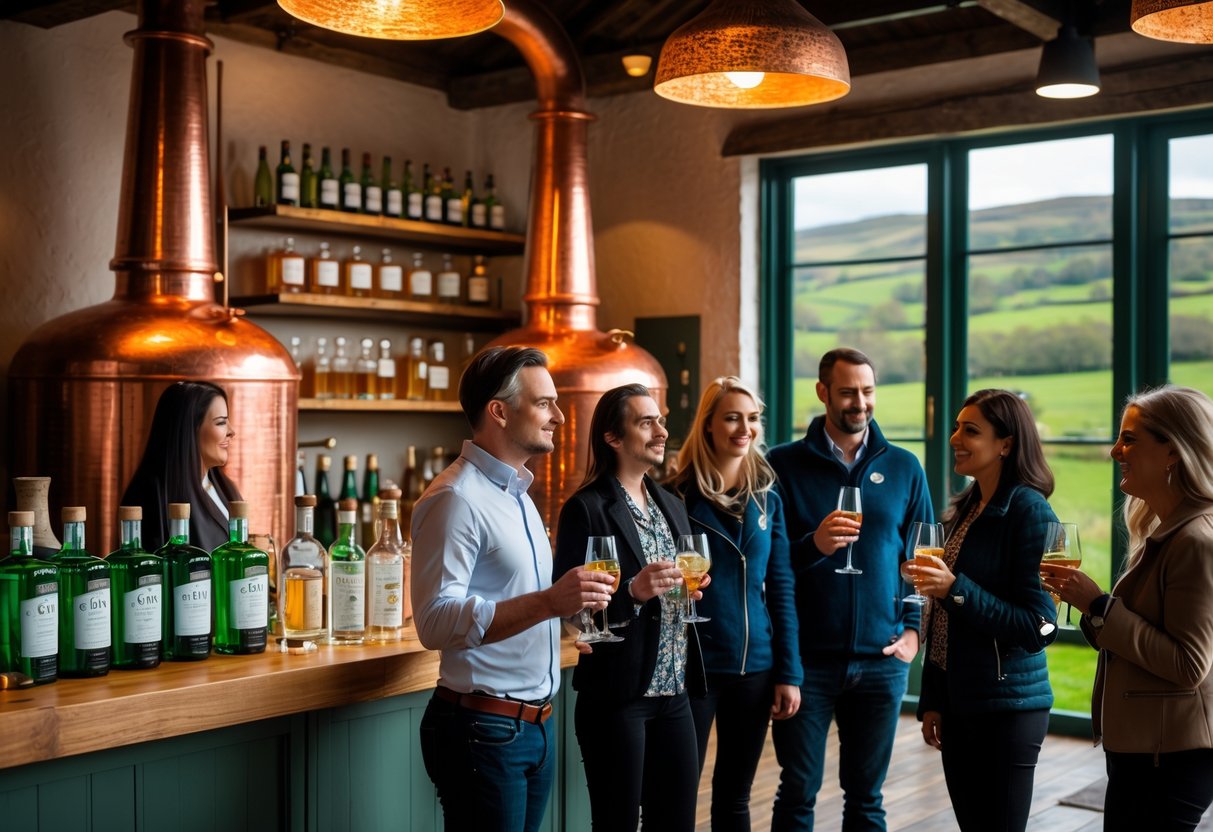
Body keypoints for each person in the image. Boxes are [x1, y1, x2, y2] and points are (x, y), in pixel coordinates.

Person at [410, 346, 614, 832]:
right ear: (499, 411)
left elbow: (515, 599)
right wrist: (548, 601)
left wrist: (565, 623)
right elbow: (434, 621)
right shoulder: (455, 498)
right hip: (483, 730)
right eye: (544, 403)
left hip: (533, 726)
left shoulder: (517, 494)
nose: (560, 417)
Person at [767, 348, 932, 831]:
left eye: (867, 391)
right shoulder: (783, 466)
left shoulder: (904, 467)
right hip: (808, 664)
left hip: (882, 664)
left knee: (867, 798)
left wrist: (913, 632)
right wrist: (814, 544)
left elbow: (923, 562)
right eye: (847, 392)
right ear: (822, 393)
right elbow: (771, 567)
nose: (859, 402)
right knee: (797, 792)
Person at [1043, 385, 1213, 831]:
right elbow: (1136, 636)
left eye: (1130, 439)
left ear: (1173, 452)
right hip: (1146, 749)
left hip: (1167, 758)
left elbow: (1188, 663)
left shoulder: (1195, 541)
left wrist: (1098, 603)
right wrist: (1094, 610)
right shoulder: (1167, 529)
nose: (1115, 451)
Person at [553, 383, 706, 831]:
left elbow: (673, 588)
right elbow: (571, 611)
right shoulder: (585, 509)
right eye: (647, 422)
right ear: (613, 437)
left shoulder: (672, 504)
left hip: (674, 691)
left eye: (660, 420)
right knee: (616, 824)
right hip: (618, 697)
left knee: (676, 824)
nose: (661, 431)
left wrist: (687, 592)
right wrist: (633, 594)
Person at [909, 388, 1058, 832]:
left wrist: (955, 589)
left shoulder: (1029, 511)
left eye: (970, 430)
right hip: (960, 705)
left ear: (1006, 444)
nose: (955, 437)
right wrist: (933, 699)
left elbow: (1040, 625)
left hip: (1007, 712)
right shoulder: (968, 507)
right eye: (956, 426)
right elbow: (942, 626)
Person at [668, 376, 802, 831]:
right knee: (676, 798)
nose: (744, 429)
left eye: (752, 419)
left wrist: (789, 673)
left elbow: (782, 587)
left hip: (756, 668)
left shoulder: (768, 497)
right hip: (694, 667)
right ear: (707, 426)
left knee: (735, 798)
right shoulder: (675, 496)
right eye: (731, 418)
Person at [121, 380, 242, 552]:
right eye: (221, 422)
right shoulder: (151, 493)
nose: (231, 431)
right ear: (190, 429)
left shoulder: (225, 488)